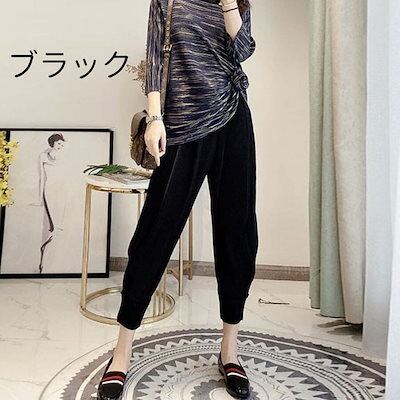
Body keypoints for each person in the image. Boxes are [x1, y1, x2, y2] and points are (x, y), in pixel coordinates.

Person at [97, 0, 258, 398]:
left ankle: (229, 349)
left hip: (233, 119)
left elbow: (243, 51)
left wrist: (228, 4)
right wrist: (154, 118)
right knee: (156, 231)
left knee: (237, 233)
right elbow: (155, 55)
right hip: (183, 124)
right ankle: (121, 352)